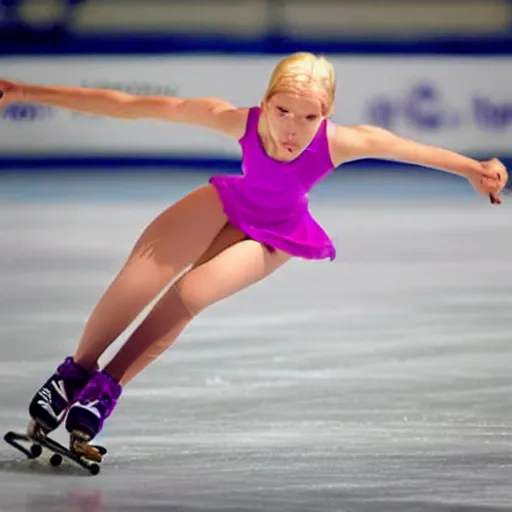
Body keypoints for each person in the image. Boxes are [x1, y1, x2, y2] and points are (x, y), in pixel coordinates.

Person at [0, 52, 508, 449]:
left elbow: (411, 150)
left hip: (277, 233)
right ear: (265, 104)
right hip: (227, 202)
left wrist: (477, 169)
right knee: (140, 278)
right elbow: (131, 106)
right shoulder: (236, 121)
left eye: (307, 117)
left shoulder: (341, 142)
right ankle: (75, 373)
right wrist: (25, 90)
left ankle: (106, 387)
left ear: (325, 115)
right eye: (282, 111)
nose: (291, 128)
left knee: (191, 293)